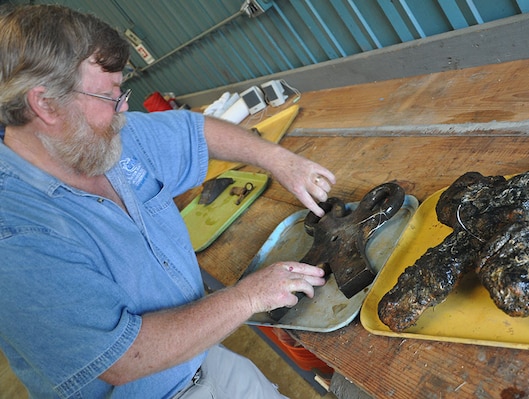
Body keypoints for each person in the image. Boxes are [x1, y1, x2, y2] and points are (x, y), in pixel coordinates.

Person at [0, 4, 336, 398]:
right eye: (110, 95)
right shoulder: (16, 237)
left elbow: (193, 129)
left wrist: (280, 160)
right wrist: (248, 296)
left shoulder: (97, 138)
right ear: (46, 104)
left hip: (201, 355)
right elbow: (123, 359)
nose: (124, 107)